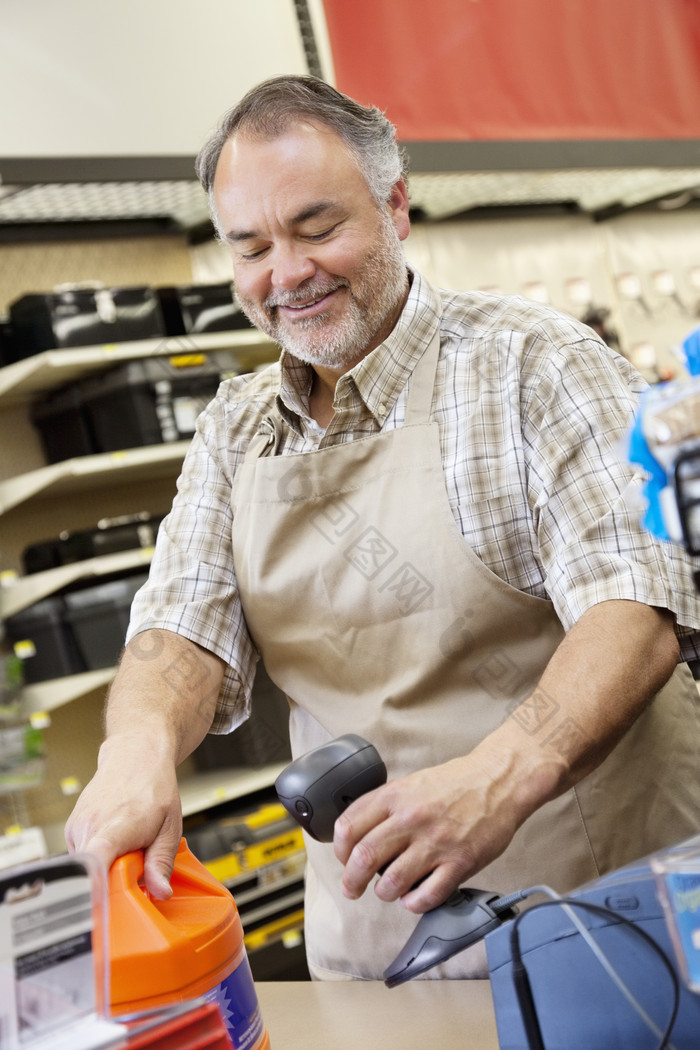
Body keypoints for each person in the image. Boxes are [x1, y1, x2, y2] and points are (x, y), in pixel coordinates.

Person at [65, 74, 700, 981]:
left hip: (608, 929)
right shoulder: (234, 427)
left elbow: (636, 604)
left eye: (317, 228)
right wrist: (135, 750)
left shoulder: (532, 363)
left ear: (395, 206)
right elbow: (181, 631)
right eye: (250, 247)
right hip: (377, 960)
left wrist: (502, 775)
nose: (285, 274)